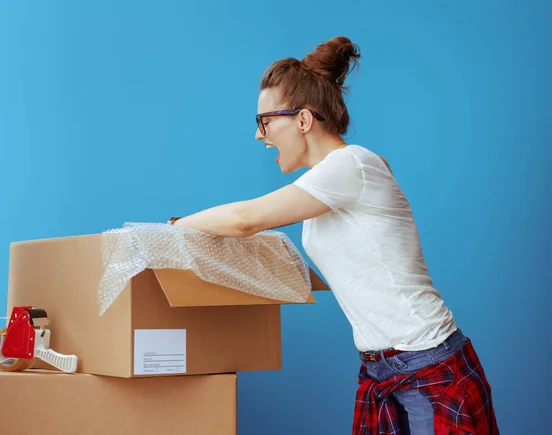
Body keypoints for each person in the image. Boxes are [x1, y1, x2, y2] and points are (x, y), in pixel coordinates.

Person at [169, 36, 498, 435]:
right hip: (383, 369)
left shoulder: (352, 165)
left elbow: (244, 219)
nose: (260, 135)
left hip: (426, 365)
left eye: (265, 121)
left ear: (303, 120)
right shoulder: (322, 189)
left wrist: (175, 226)